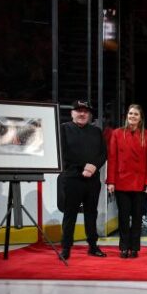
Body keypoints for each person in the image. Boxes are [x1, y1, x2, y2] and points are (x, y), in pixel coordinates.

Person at [60, 99, 107, 260]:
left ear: (89, 114)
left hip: (93, 180)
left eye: (85, 111)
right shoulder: (63, 129)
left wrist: (94, 165)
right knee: (70, 214)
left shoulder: (96, 131)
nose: (82, 113)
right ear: (72, 113)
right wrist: (84, 167)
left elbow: (103, 153)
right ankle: (66, 248)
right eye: (78, 110)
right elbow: (63, 153)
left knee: (91, 214)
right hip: (72, 178)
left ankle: (93, 246)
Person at [106, 104, 147, 259]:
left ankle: (134, 248)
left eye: (135, 114)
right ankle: (123, 247)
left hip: (140, 182)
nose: (132, 116)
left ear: (140, 118)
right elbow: (112, 158)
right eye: (130, 114)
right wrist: (111, 181)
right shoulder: (117, 134)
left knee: (137, 217)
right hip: (121, 181)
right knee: (123, 217)